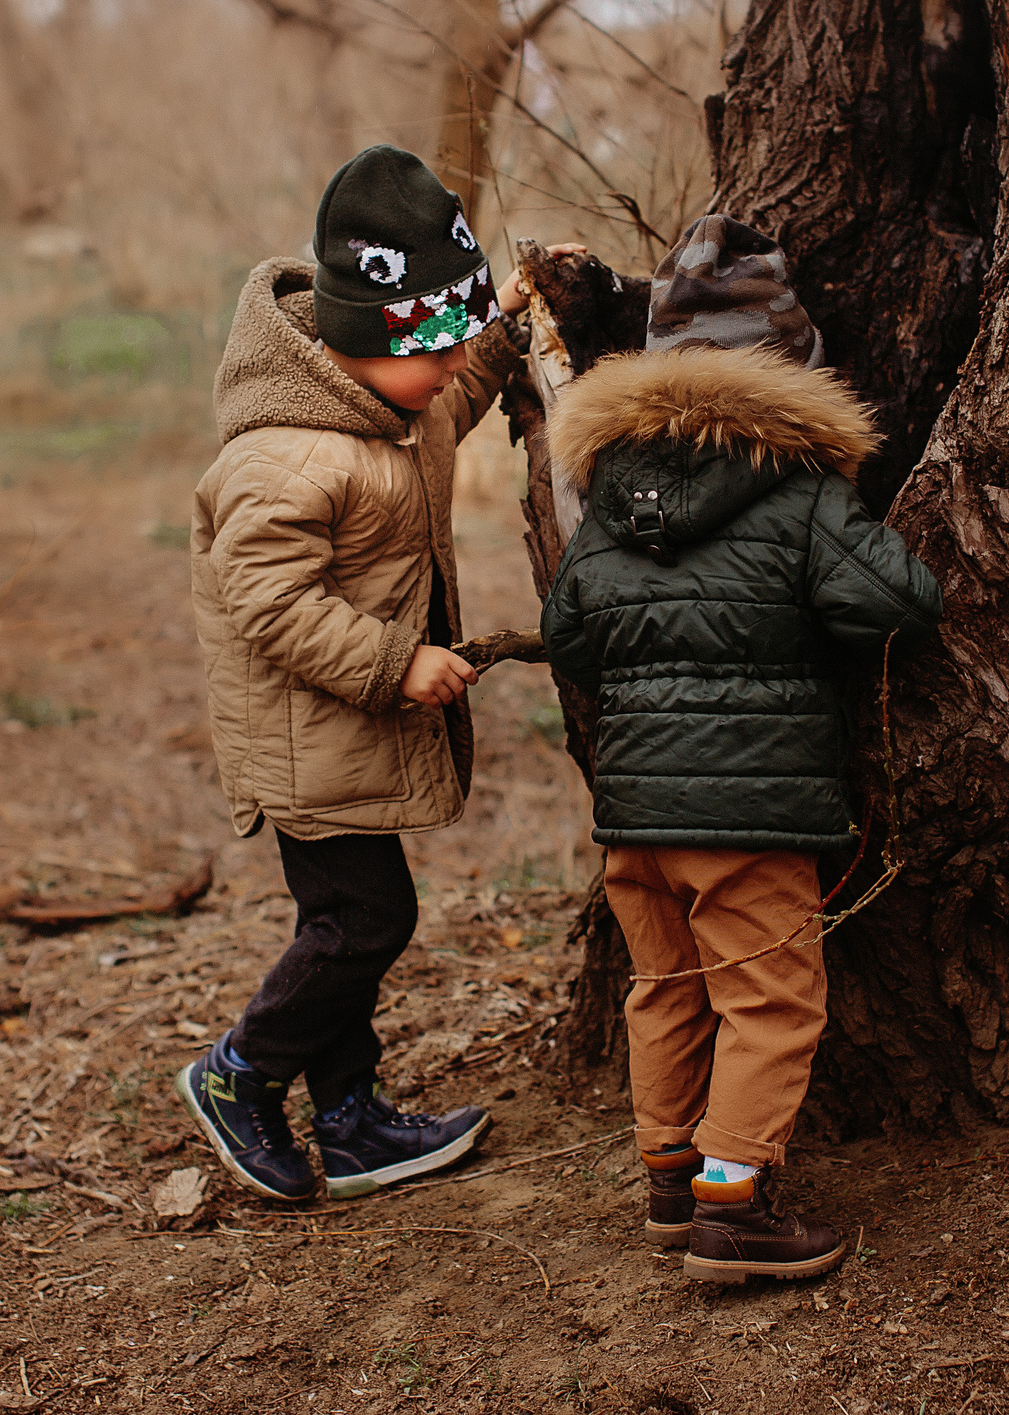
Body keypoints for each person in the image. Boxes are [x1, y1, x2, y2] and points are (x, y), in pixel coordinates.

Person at [540, 215, 942, 1282]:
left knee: (664, 983)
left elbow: (567, 637)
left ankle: (670, 1178)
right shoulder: (802, 491)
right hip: (753, 809)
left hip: (634, 814)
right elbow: (901, 603)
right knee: (768, 998)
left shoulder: (610, 495)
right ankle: (736, 1205)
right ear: (793, 373)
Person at [179, 144, 528, 1202]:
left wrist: (506, 327)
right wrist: (393, 661)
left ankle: (350, 1119)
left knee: (348, 924)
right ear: (365, 346)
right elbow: (269, 601)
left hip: (345, 733)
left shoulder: (392, 406)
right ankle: (238, 1074)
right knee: (363, 924)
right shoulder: (283, 454)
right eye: (440, 353)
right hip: (306, 737)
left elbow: (453, 405)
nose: (450, 374)